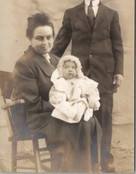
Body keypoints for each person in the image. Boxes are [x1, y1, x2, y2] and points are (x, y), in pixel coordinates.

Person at [51, 0, 124, 172]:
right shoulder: (71, 13)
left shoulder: (111, 15)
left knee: (105, 120)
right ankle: (88, 163)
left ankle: (106, 162)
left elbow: (118, 45)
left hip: (105, 76)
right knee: (83, 120)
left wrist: (119, 72)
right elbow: (59, 46)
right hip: (78, 78)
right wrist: (46, 63)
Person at [11, 12, 102, 173]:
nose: (45, 42)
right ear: (29, 39)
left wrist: (75, 103)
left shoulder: (55, 60)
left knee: (89, 121)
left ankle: (87, 169)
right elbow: (33, 103)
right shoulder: (24, 63)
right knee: (76, 123)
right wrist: (65, 109)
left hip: (54, 110)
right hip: (35, 116)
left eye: (49, 37)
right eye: (39, 38)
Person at [49, 54, 100, 123]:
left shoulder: (81, 81)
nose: (70, 70)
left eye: (73, 67)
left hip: (80, 103)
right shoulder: (60, 83)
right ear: (60, 69)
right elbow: (56, 97)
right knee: (61, 108)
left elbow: (92, 92)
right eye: (66, 67)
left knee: (83, 103)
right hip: (66, 105)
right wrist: (65, 106)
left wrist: (94, 101)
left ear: (78, 70)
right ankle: (71, 114)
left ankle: (79, 114)